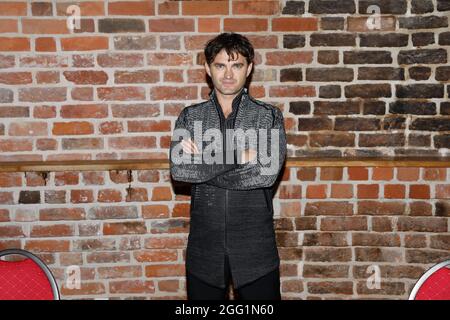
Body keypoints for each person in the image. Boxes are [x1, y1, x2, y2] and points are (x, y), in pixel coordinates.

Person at [169, 32, 287, 300]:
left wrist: (205, 161)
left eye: (237, 65)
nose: (229, 74)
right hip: (204, 249)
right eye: (220, 65)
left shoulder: (268, 116)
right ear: (208, 69)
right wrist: (240, 155)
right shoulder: (190, 116)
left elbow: (265, 175)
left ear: (250, 68)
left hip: (256, 249)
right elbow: (180, 170)